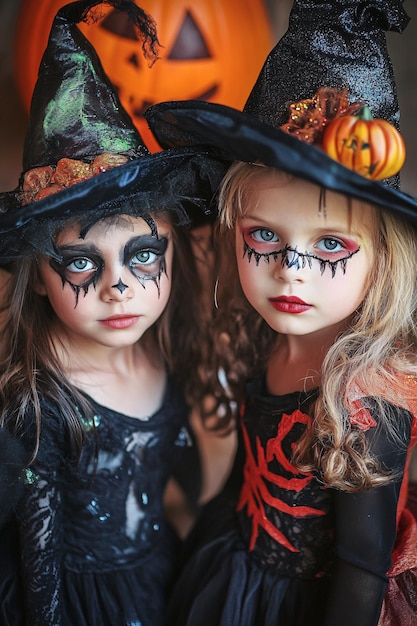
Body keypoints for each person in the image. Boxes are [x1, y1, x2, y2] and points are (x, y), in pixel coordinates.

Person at [145, 0, 417, 623]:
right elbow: (244, 470)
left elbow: (361, 566)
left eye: (329, 245)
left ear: (383, 260)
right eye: (264, 237)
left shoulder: (369, 398)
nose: (289, 271)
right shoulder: (259, 336)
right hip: (233, 563)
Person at [0, 1, 226, 625]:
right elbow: (36, 561)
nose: (117, 288)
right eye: (80, 263)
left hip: (163, 576)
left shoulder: (164, 352)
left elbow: (180, 477)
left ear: (171, 251)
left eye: (143, 255)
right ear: (39, 279)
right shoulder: (39, 405)